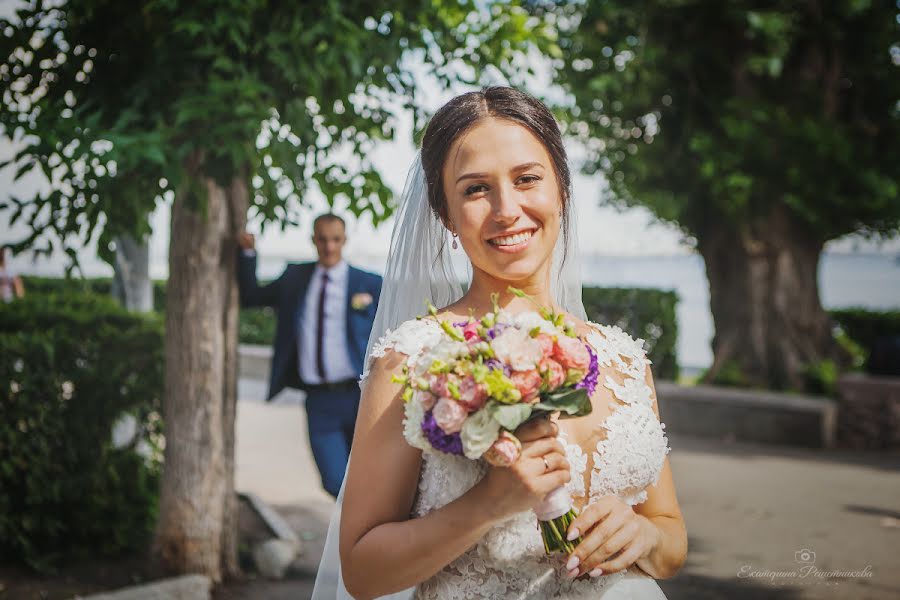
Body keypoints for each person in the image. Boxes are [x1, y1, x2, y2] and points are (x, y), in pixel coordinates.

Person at [313, 87, 687, 599]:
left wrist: (644, 536)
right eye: (475, 190)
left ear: (562, 189)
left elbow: (670, 536)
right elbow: (360, 571)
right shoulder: (413, 360)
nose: (506, 209)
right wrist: (489, 504)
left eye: (528, 179)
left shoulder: (625, 361)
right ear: (445, 214)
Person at [237, 213, 383, 498]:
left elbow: (393, 328)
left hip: (361, 395)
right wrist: (247, 253)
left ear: (344, 241)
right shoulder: (295, 278)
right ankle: (363, 535)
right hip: (319, 401)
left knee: (377, 475)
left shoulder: (370, 283)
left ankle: (369, 539)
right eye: (323, 239)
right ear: (313, 240)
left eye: (336, 240)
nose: (329, 247)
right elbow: (252, 297)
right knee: (333, 481)